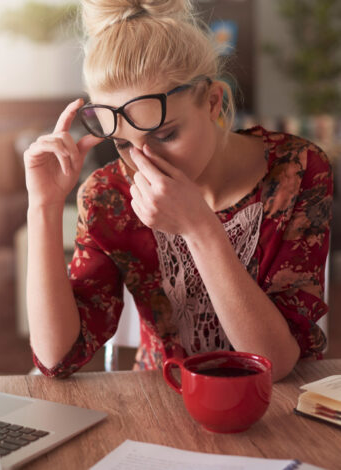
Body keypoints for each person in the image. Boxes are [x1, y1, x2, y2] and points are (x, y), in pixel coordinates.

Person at [23, 0, 333, 382]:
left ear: (213, 102)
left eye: (166, 134)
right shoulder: (109, 196)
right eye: (123, 143)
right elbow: (57, 359)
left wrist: (200, 228)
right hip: (163, 402)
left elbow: (276, 363)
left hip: (280, 413)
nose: (145, 162)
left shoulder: (296, 170)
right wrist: (44, 205)